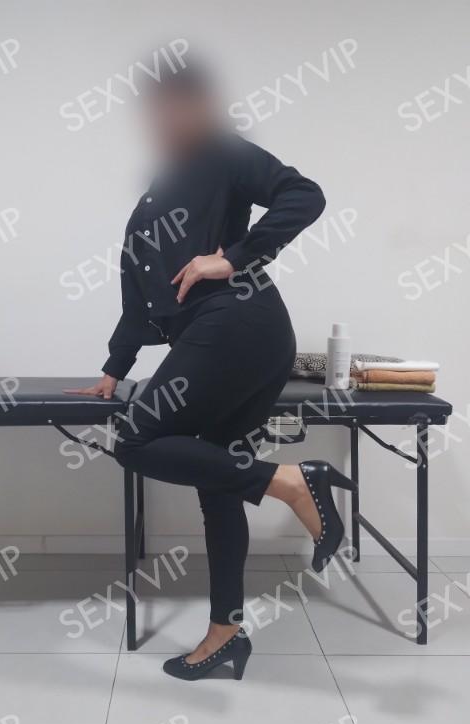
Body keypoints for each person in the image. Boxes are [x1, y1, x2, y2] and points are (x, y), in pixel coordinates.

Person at [69, 63, 355, 681]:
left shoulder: (221, 153)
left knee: (136, 439)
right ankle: (226, 634)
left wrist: (233, 257)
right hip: (233, 337)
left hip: (238, 321)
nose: (167, 116)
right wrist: (114, 369)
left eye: (179, 103)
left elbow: (305, 195)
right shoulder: (154, 198)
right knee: (219, 482)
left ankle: (294, 482)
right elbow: (138, 304)